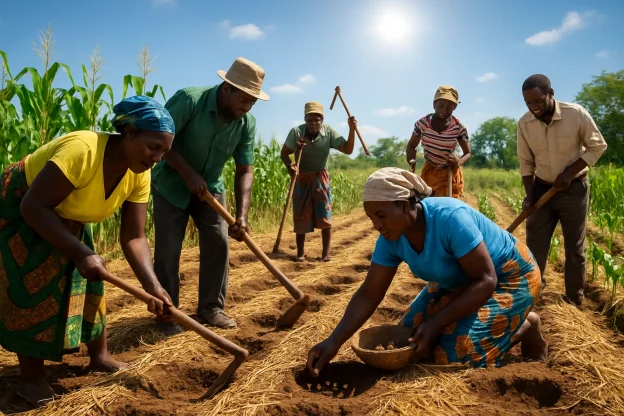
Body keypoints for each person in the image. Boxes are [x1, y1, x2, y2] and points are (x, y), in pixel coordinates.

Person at [0, 96, 175, 407]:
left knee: (91, 280)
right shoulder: (83, 150)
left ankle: (100, 356)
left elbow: (134, 237)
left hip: (69, 211)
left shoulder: (140, 172)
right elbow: (33, 206)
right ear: (130, 133)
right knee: (33, 285)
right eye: (153, 147)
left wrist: (154, 287)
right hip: (23, 205)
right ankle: (31, 380)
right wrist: (80, 252)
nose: (157, 158)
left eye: (164, 151)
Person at [306, 167, 548, 375]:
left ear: (403, 205)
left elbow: (486, 280)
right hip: (460, 280)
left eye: (381, 215)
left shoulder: (450, 218)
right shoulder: (390, 238)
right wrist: (334, 341)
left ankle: (525, 325)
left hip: (510, 277)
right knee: (408, 337)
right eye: (371, 218)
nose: (376, 225)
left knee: (456, 353)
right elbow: (370, 293)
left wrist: (435, 324)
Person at [151, 57, 269, 332]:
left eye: (253, 101)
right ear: (227, 88)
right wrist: (188, 173)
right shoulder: (189, 101)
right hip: (171, 185)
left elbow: (245, 169)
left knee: (219, 243)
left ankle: (211, 308)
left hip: (211, 189)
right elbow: (159, 140)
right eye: (245, 98)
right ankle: (168, 314)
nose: (248, 106)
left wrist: (240, 216)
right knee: (169, 251)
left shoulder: (246, 123)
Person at [518, 74, 607, 307]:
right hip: (542, 188)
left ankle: (574, 297)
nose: (533, 107)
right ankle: (534, 293)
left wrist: (569, 173)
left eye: (537, 101)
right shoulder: (524, 123)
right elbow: (526, 163)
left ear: (551, 94)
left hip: (573, 188)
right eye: (528, 103)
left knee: (575, 247)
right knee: (534, 247)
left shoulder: (575, 114)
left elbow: (597, 146)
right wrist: (531, 194)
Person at [280, 102, 356, 262]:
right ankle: (300, 253)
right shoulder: (297, 132)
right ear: (305, 120)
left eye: (317, 120)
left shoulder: (328, 132)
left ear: (322, 120)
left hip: (320, 176)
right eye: (310, 120)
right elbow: (284, 154)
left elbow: (348, 150)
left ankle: (325, 253)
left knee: (324, 211)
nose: (314, 123)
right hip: (301, 176)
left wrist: (352, 130)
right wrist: (290, 166)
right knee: (300, 213)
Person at [405, 85, 471, 198]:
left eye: (449, 107)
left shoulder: (459, 128)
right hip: (429, 169)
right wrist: (411, 161)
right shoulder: (422, 124)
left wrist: (458, 162)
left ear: (455, 107)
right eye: (441, 105)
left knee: (445, 205)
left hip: (449, 170)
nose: (444, 110)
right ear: (434, 104)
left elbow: (467, 153)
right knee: (428, 202)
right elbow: (411, 146)